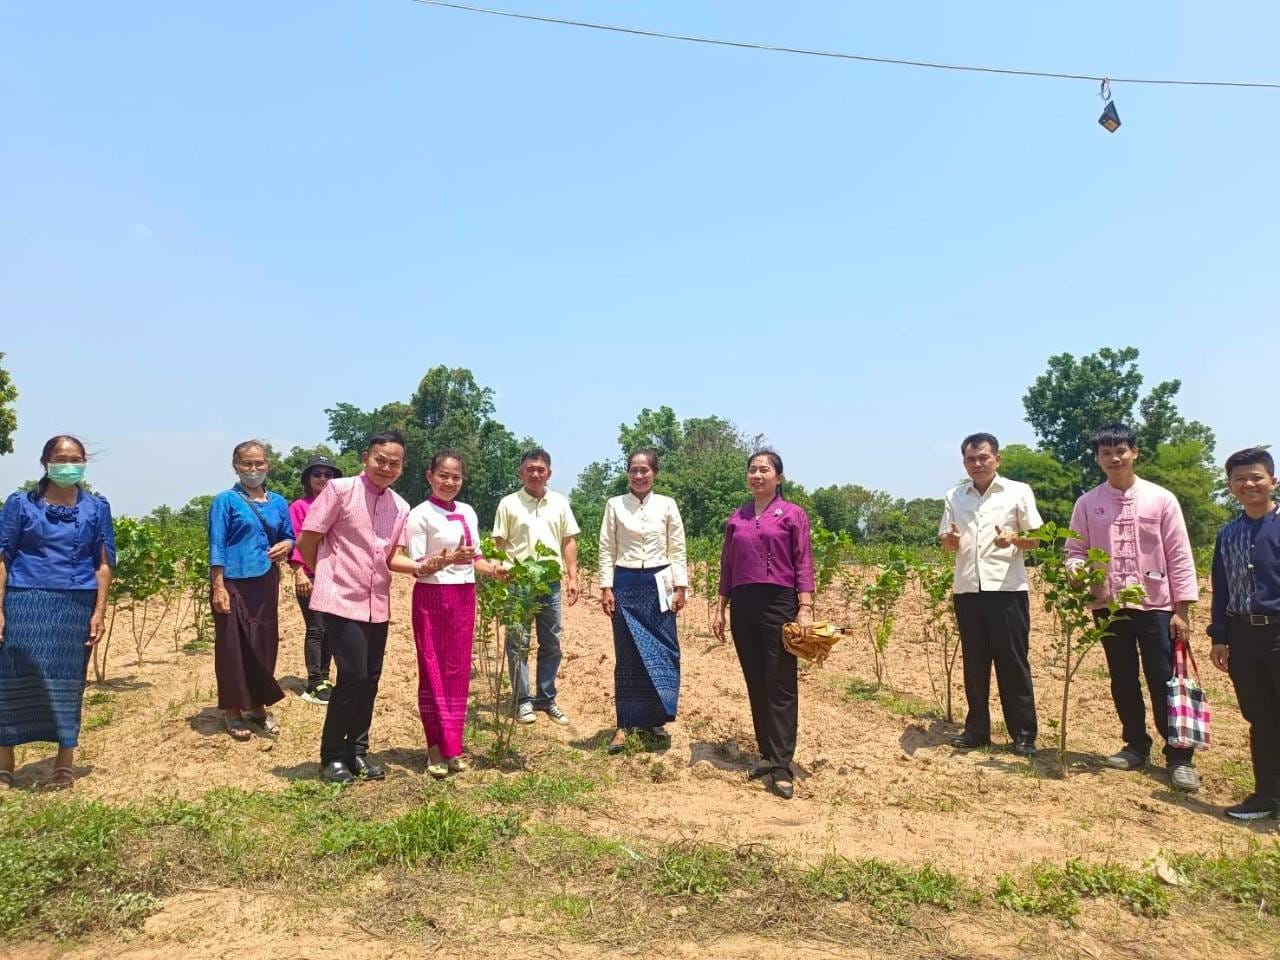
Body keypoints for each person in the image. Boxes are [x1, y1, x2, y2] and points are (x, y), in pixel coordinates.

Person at [1066, 424, 1200, 792]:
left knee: (1163, 678)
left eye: (1120, 450)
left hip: (1156, 605)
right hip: (1108, 605)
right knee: (1122, 677)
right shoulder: (1087, 504)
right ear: (1097, 459)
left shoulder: (1161, 499)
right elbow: (1074, 550)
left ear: (1134, 452)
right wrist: (1076, 570)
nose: (1114, 458)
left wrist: (1182, 611)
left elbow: (1180, 555)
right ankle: (1135, 745)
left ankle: (1179, 757)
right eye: (1106, 453)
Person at [0, 436, 114, 789]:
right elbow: (3, 558)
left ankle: (64, 764)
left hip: (76, 604)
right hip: (24, 599)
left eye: (76, 458)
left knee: (70, 681)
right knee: (11, 677)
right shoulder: (20, 504)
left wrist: (99, 611)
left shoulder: (96, 507)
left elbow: (103, 564)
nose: (69, 464)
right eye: (61, 458)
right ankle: (5, 764)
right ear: (45, 462)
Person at [298, 431, 410, 784]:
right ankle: (332, 756)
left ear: (402, 467)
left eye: (394, 463)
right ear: (366, 458)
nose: (386, 468)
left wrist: (426, 565)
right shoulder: (339, 490)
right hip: (341, 599)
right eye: (380, 460)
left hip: (378, 602)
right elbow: (308, 539)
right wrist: (325, 575)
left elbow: (392, 557)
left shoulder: (400, 507)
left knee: (371, 680)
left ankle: (358, 752)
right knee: (353, 676)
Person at [391, 450, 506, 778]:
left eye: (456, 477)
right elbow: (417, 565)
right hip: (432, 597)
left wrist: (494, 570)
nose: (449, 482)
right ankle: (433, 748)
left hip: (463, 597)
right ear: (430, 476)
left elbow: (475, 558)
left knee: (457, 673)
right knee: (433, 671)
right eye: (443, 475)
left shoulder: (468, 511)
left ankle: (452, 746)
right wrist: (443, 561)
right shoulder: (419, 515)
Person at [713, 448, 814, 800]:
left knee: (780, 681)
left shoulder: (793, 514)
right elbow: (727, 565)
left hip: (779, 602)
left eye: (764, 470)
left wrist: (805, 607)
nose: (757, 475)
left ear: (779, 477)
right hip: (744, 604)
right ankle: (766, 754)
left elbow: (803, 561)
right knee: (756, 681)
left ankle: (783, 765)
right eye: (752, 470)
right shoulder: (737, 518)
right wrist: (720, 607)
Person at [938, 432, 1042, 757]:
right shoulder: (954, 496)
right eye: (971, 459)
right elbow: (946, 542)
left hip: (1007, 590)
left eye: (983, 457)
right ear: (964, 463)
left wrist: (1014, 538)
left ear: (997, 459)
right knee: (975, 663)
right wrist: (949, 541)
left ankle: (1023, 734)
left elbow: (1037, 539)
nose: (977, 464)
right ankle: (977, 730)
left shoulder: (1018, 491)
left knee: (1013, 662)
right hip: (967, 589)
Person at [598, 449, 688, 754]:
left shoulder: (667, 504)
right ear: (627, 473)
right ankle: (624, 725)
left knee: (663, 651)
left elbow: (677, 548)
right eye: (633, 470)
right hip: (625, 583)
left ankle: (654, 721)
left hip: (659, 585)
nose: (639, 476)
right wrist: (606, 587)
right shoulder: (615, 505)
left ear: (654, 473)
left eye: (644, 470)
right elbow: (606, 548)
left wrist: (681, 587)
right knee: (627, 655)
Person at [1208, 447, 1280, 821]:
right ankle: (1268, 795)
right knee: (1261, 718)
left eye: (1256, 477)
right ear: (1230, 485)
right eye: (1240, 479)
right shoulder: (1228, 535)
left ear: (1273, 481)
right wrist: (1219, 637)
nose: (1249, 484)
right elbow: (1221, 589)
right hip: (1244, 636)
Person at [208, 441, 295, 741]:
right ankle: (232, 710)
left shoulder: (279, 502)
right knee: (232, 646)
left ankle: (257, 706)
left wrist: (287, 544)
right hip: (232, 581)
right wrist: (218, 586)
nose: (253, 469)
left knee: (263, 643)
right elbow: (217, 544)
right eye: (247, 463)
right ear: (236, 466)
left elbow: (289, 535)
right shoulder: (225, 501)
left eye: (259, 463)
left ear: (268, 465)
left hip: (265, 581)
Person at [492, 448, 580, 726]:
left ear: (549, 473)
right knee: (518, 642)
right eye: (529, 469)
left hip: (550, 582)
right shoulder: (509, 503)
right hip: (517, 581)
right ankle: (522, 700)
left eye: (540, 469)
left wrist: (573, 576)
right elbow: (498, 543)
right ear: (521, 472)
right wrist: (498, 572)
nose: (535, 474)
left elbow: (568, 540)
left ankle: (546, 697)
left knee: (551, 641)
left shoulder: (560, 503)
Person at [289, 455, 342, 705]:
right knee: (316, 628)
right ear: (308, 479)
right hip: (310, 576)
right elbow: (295, 540)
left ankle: (325, 678)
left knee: (331, 628)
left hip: (334, 576)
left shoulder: (339, 507)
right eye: (317, 474)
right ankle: (314, 682)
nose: (322, 478)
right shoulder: (300, 506)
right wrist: (298, 571)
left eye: (328, 474)